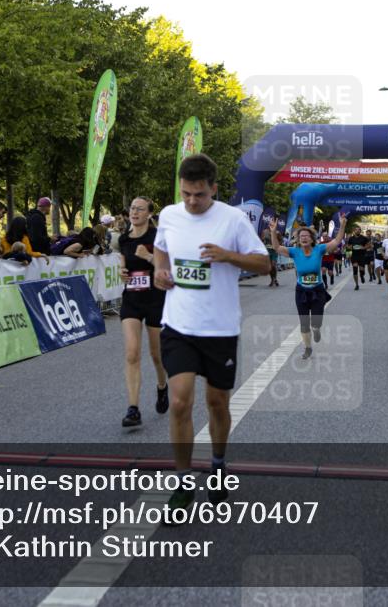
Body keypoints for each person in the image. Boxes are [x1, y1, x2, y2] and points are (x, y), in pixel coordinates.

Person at [153, 153, 270, 518]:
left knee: (217, 403)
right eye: (186, 193)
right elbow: (161, 249)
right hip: (178, 325)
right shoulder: (170, 216)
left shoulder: (232, 219)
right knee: (180, 402)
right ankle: (184, 483)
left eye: (199, 195)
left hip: (219, 329)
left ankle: (218, 465)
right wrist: (159, 269)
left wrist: (228, 256)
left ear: (213, 190)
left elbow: (264, 262)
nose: (191, 201)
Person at [118, 197, 169, 428]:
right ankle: (133, 408)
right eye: (132, 209)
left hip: (155, 300)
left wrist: (148, 256)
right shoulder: (123, 239)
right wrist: (123, 272)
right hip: (131, 299)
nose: (135, 212)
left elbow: (166, 269)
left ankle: (161, 386)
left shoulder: (157, 238)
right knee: (131, 354)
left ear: (149, 214)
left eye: (140, 209)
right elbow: (123, 265)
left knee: (156, 355)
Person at [268, 214, 346, 360]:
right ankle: (308, 347)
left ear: (312, 239)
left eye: (307, 236)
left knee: (315, 322)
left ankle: (316, 329)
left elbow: (337, 241)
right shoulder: (294, 251)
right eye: (301, 236)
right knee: (304, 322)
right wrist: (273, 231)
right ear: (298, 239)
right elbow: (276, 247)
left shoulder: (319, 249)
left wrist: (342, 225)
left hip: (317, 290)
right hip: (301, 291)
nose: (304, 238)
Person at [347, 226, 372, 290]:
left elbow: (369, 245)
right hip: (354, 256)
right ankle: (357, 284)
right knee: (355, 270)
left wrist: (364, 247)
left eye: (359, 230)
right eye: (356, 230)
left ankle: (362, 275)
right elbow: (348, 246)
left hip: (362, 256)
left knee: (362, 270)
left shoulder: (364, 238)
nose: (357, 231)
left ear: (360, 231)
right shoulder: (351, 238)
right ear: (354, 231)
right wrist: (349, 251)